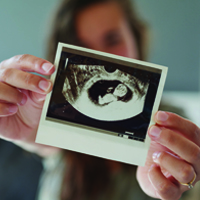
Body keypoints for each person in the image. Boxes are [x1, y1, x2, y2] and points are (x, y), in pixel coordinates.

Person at [0, 0, 199, 199]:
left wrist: (181, 183)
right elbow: (44, 141)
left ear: (136, 39)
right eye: (81, 47)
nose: (100, 57)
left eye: (112, 40)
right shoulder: (58, 123)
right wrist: (23, 125)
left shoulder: (171, 124)